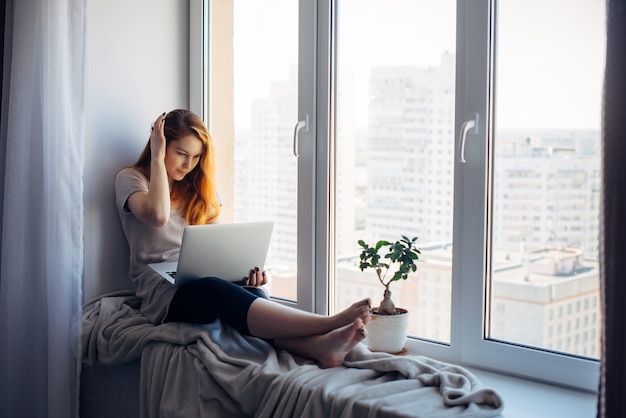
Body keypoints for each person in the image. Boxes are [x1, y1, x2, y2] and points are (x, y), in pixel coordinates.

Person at [115, 109, 371, 368]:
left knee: (254, 291)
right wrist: (157, 158)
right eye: (180, 153)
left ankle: (318, 347)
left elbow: (215, 246)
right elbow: (157, 215)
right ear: (161, 144)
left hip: (201, 280)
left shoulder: (198, 190)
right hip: (162, 294)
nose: (188, 164)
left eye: (195, 157)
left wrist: (240, 271)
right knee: (214, 290)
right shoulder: (131, 179)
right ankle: (327, 323)